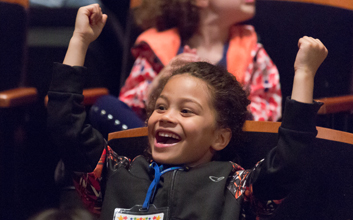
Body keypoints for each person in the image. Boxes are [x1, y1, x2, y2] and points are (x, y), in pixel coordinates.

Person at [47, 4, 328, 219]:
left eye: (186, 111)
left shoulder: (235, 188)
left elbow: (289, 161)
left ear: (219, 137)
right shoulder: (114, 173)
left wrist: (304, 73)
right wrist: (80, 40)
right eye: (160, 107)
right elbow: (66, 125)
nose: (167, 116)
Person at [89, 0, 282, 138]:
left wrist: (220, 108)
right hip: (165, 138)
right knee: (105, 107)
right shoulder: (158, 48)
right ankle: (170, 167)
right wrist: (159, 85)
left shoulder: (252, 51)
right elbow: (129, 107)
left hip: (220, 148)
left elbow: (268, 111)